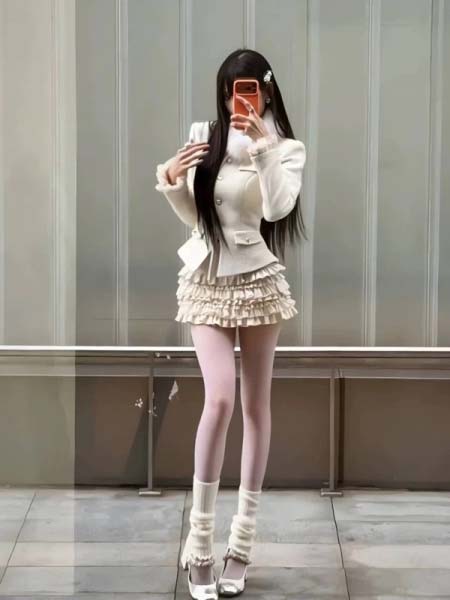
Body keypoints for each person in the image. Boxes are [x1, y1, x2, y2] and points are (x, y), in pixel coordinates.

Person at [155, 48, 307, 599]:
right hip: (207, 279)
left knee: (256, 407)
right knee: (219, 399)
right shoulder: (206, 136)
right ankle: (199, 544)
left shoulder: (287, 148)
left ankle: (240, 546)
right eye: (229, 90)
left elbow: (276, 210)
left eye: (247, 89)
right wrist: (174, 181)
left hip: (257, 279)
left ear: (266, 91)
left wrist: (263, 149)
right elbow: (199, 219)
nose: (237, 100)